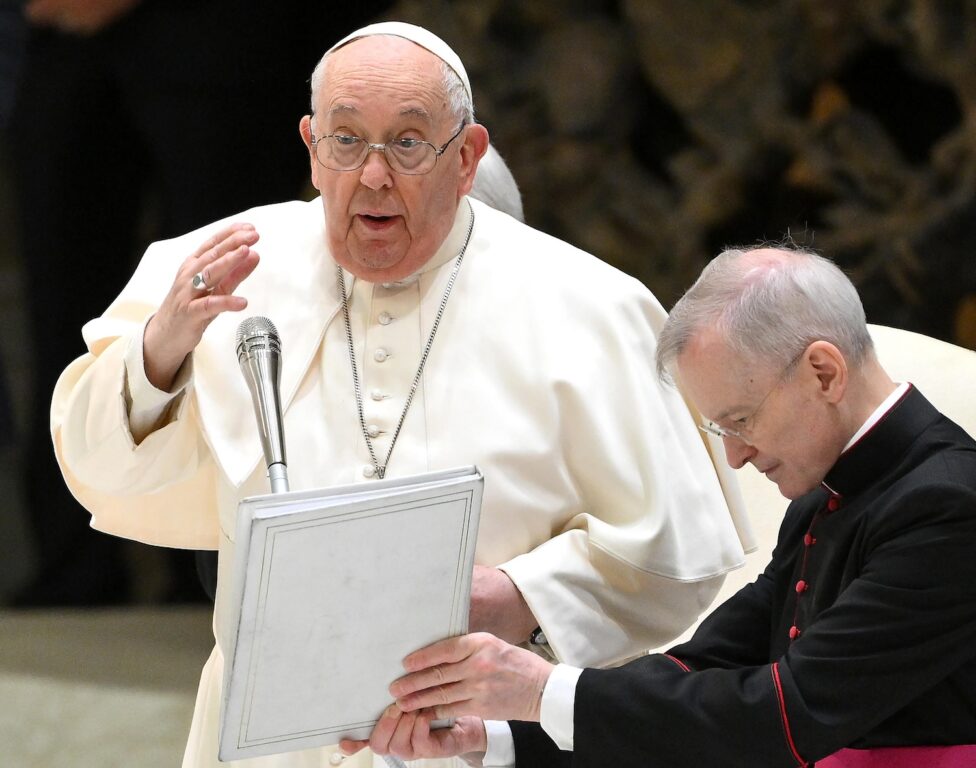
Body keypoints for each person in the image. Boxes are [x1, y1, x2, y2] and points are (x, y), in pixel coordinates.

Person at [51, 22, 752, 768]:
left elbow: (678, 551)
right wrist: (159, 352)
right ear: (311, 149)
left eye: (408, 144)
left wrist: (521, 594)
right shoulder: (228, 270)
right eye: (346, 142)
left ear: (467, 156)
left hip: (481, 734)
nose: (374, 176)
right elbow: (99, 469)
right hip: (271, 740)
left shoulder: (590, 306)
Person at [358, 245, 976, 767]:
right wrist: (494, 733)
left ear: (823, 372)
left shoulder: (948, 505)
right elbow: (700, 665)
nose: (734, 456)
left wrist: (540, 690)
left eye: (740, 420)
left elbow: (786, 712)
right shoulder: (828, 491)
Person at [6, 0, 393, 605]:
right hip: (61, 45)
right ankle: (71, 565)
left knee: (232, 298)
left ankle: (216, 572)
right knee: (62, 301)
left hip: (213, 36)